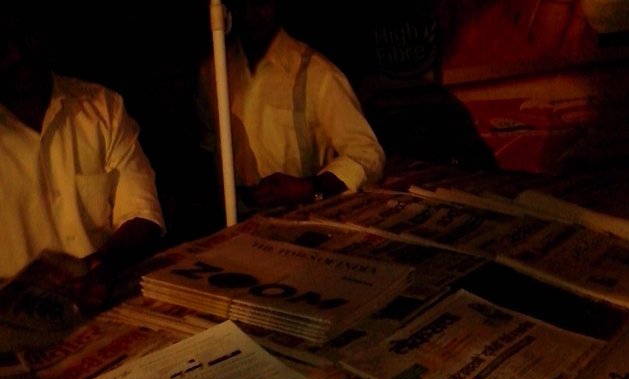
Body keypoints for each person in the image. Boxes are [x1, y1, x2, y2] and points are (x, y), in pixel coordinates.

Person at [0, 5, 165, 311]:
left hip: (105, 302)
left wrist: (101, 265)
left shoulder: (103, 108)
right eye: (2, 44)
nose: (18, 55)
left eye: (25, 36)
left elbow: (142, 213)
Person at [198, 0, 385, 213]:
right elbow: (209, 145)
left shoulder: (318, 74)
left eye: (259, 3)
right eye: (242, 3)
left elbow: (367, 154)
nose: (250, 15)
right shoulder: (212, 71)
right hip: (231, 220)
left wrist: (309, 187)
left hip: (302, 218)